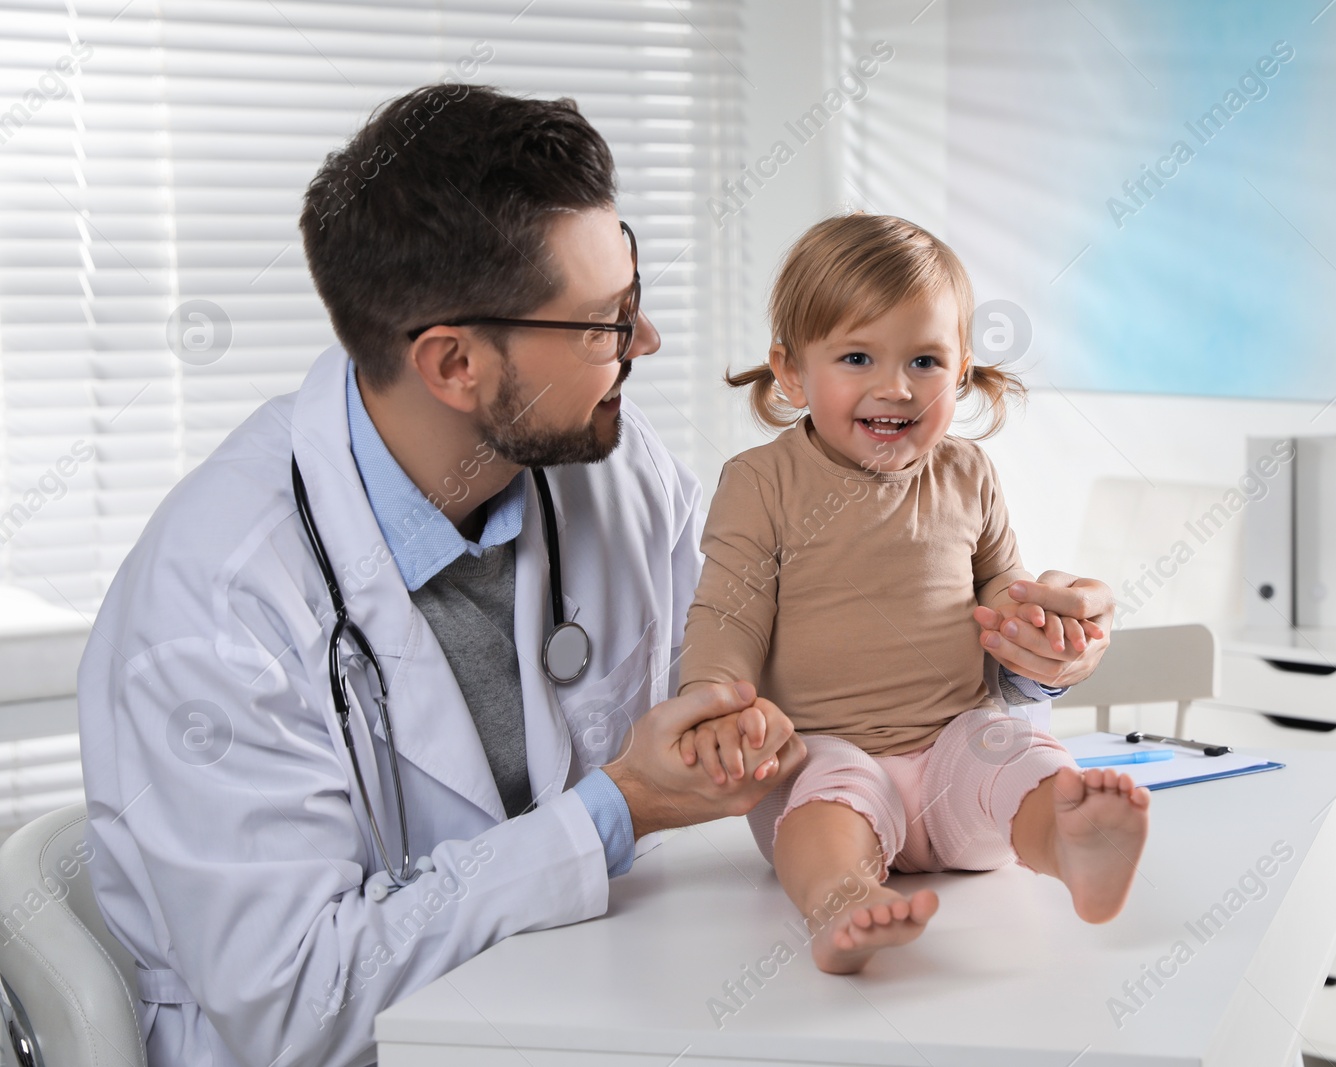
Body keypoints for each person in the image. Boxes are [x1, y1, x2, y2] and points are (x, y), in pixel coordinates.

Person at [77, 86, 1110, 1067]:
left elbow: (794, 685)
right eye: (606, 321)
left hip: (593, 1002)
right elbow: (293, 1000)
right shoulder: (215, 603)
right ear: (454, 365)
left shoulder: (613, 464)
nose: (646, 342)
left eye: (636, 296)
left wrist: (1018, 661)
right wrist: (615, 809)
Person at [675, 213, 1146, 975]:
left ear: (961, 372)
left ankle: (1068, 847)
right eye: (858, 356)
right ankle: (839, 899)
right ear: (792, 371)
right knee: (828, 794)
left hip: (955, 754)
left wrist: (1047, 614)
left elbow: (1003, 596)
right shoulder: (760, 482)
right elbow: (726, 613)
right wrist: (718, 704)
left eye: (925, 360)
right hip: (821, 757)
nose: (895, 387)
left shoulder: (969, 475)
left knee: (1016, 748)